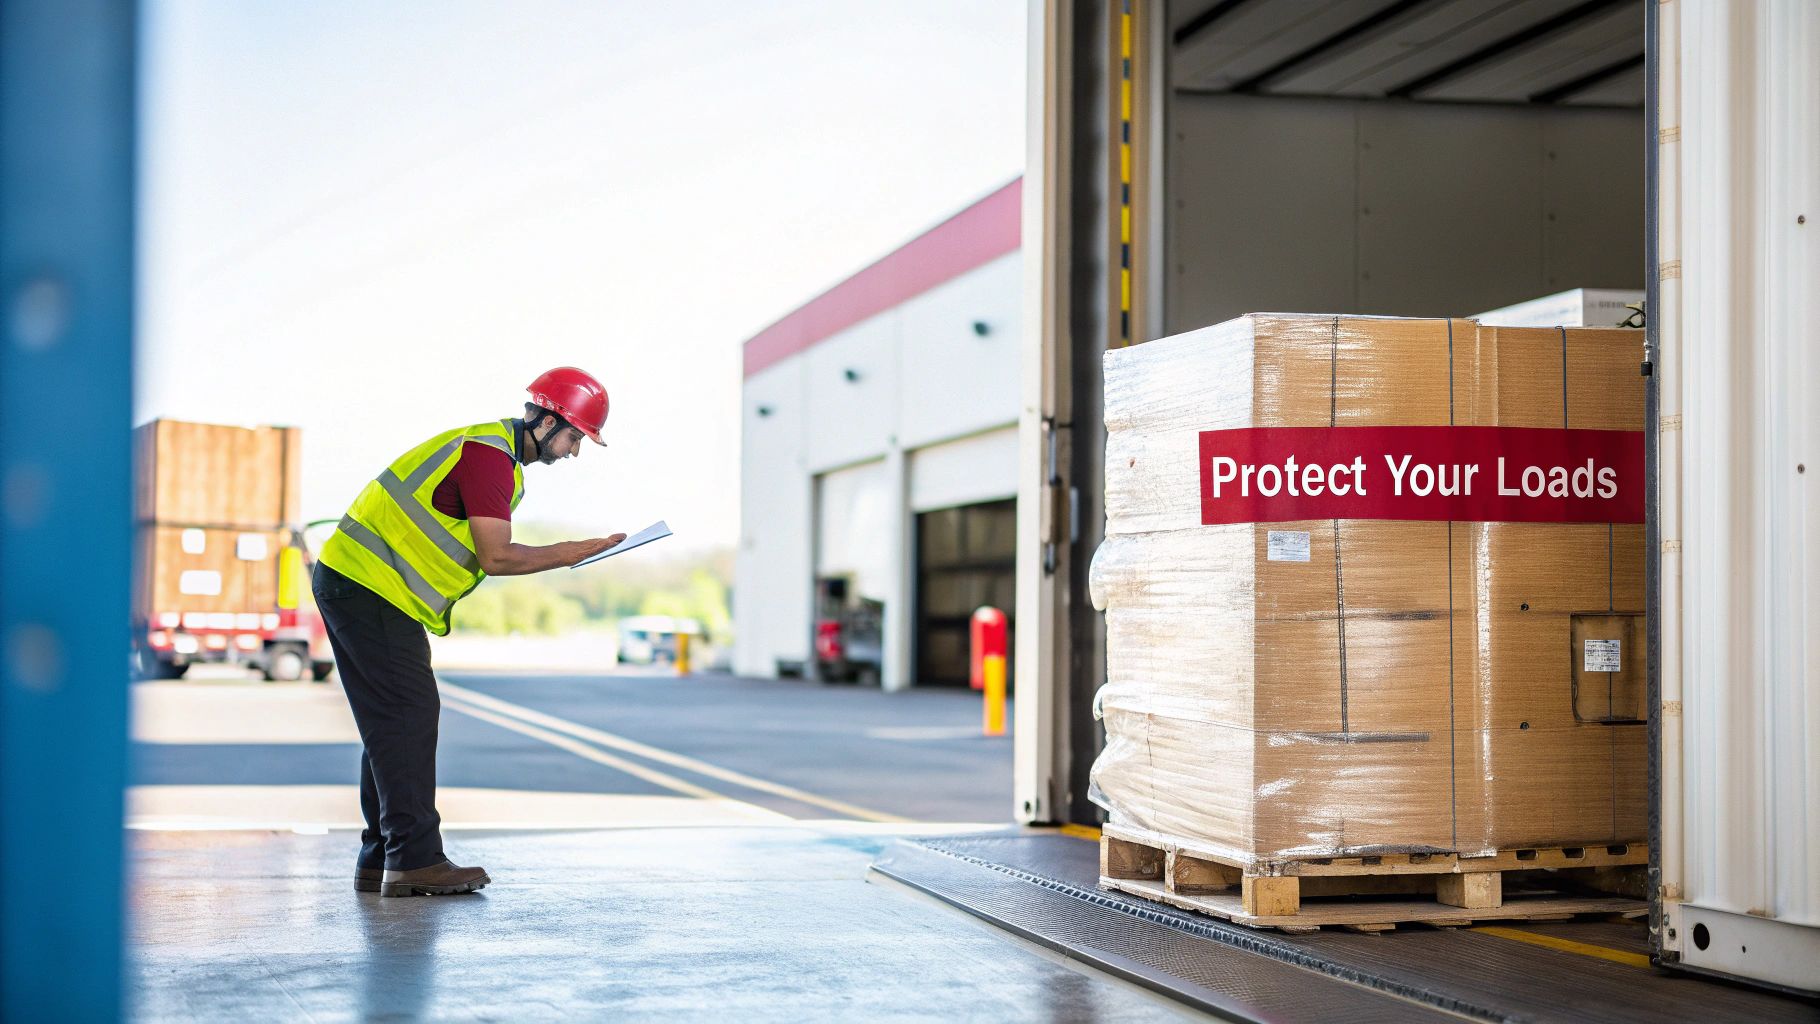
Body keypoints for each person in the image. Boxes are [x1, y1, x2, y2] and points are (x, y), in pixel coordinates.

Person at [312, 367, 625, 897]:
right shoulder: (488, 458)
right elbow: (497, 556)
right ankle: (414, 860)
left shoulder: (493, 454)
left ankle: (381, 855)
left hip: (359, 582)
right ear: (547, 420)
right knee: (408, 715)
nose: (575, 452)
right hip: (369, 585)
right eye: (575, 437)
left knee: (394, 721)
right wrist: (579, 551)